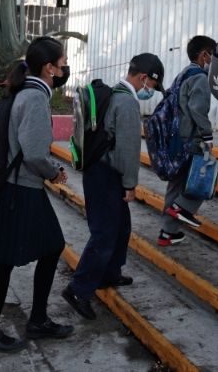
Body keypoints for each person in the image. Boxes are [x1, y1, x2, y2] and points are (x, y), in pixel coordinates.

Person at [0, 37, 73, 352]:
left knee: (47, 248)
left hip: (19, 188)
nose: (64, 69)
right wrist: (54, 173)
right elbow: (33, 153)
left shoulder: (29, 92)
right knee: (8, 260)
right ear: (49, 68)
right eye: (62, 63)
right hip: (22, 189)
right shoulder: (34, 98)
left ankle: (37, 320)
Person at [63, 52, 164, 319]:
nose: (151, 91)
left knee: (120, 227)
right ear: (144, 78)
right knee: (105, 234)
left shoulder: (113, 94)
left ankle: (109, 273)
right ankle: (78, 289)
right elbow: (128, 150)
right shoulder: (127, 103)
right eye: (152, 86)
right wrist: (130, 184)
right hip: (108, 175)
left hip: (99, 171)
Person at [158, 35, 216, 246]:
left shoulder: (183, 74)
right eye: (213, 56)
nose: (214, 62)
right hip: (192, 139)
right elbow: (197, 109)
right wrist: (207, 135)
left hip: (176, 138)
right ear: (204, 55)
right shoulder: (200, 77)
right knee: (206, 178)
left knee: (176, 185)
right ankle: (183, 208)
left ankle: (167, 233)